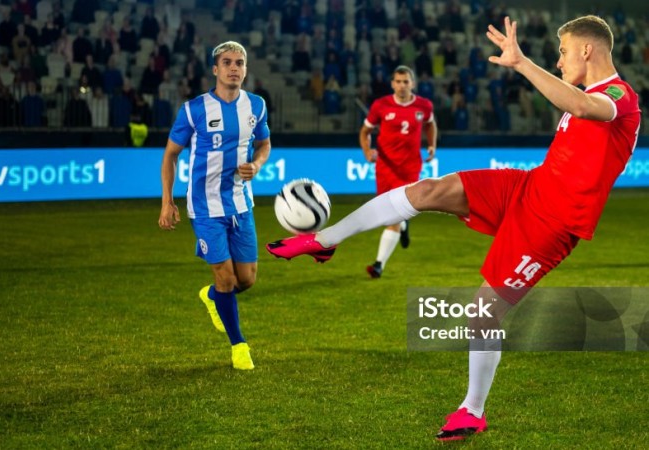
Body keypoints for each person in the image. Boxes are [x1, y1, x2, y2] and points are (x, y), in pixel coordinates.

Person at [266, 15, 640, 440]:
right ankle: (325, 239)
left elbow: (581, 106)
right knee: (429, 190)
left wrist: (520, 63)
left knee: (483, 315)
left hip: (553, 223)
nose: (558, 62)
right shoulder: (590, 94)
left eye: (563, 51)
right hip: (527, 187)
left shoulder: (619, 96)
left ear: (587, 50)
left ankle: (472, 409)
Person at [159, 41, 271, 371]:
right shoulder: (194, 109)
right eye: (227, 62)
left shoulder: (256, 106)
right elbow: (170, 155)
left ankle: (211, 296)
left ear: (245, 69)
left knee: (246, 281)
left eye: (239, 62)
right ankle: (239, 347)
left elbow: (264, 144)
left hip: (240, 203)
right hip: (205, 207)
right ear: (215, 69)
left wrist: (259, 164)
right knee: (226, 280)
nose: (234, 67)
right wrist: (167, 202)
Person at [359, 65, 436, 278]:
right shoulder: (380, 105)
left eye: (406, 82)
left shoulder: (424, 105)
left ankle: (378, 265)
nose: (402, 86)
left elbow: (430, 125)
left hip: (410, 168)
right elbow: (365, 131)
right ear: (393, 83)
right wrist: (367, 150)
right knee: (388, 215)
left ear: (413, 83)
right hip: (385, 167)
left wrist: (431, 145)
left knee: (393, 215)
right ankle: (404, 225)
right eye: (398, 82)